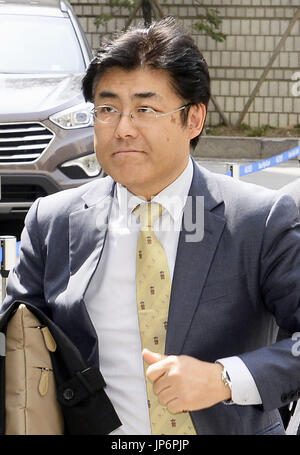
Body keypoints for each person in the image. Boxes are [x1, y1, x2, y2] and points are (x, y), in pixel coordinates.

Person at [2, 17, 300, 435]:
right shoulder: (54, 221)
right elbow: (16, 341)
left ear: (193, 120)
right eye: (107, 109)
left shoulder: (258, 220)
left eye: (145, 108)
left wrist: (225, 380)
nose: (122, 129)